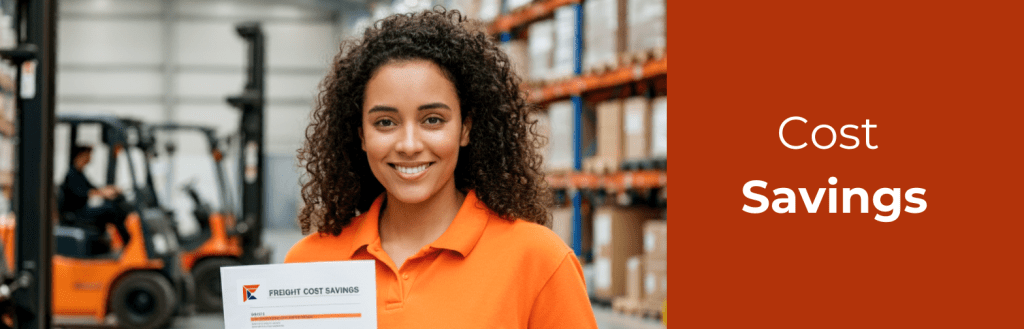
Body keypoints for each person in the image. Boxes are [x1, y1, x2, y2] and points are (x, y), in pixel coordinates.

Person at [285, 9, 598, 328]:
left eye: (432, 120)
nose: (409, 144)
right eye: (385, 122)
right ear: (361, 135)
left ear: (465, 128)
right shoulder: (308, 263)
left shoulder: (538, 260)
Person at [59, 145, 131, 246]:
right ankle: (128, 242)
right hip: (76, 214)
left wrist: (110, 190)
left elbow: (93, 188)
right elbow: (82, 193)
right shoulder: (71, 174)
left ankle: (104, 242)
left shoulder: (80, 173)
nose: (90, 158)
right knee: (110, 211)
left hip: (82, 211)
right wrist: (102, 193)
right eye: (88, 155)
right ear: (81, 156)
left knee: (111, 209)